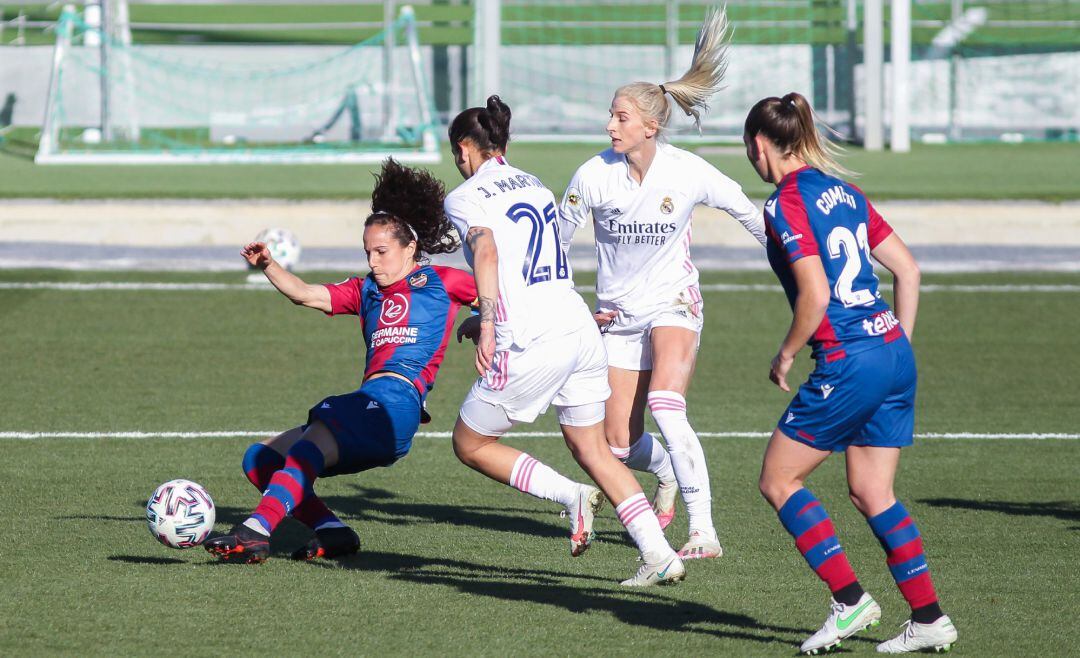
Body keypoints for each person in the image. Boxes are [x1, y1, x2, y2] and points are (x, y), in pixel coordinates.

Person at [744, 92, 957, 654]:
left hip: (847, 356)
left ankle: (850, 601)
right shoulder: (847, 192)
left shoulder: (784, 202)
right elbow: (908, 272)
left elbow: (814, 295)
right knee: (871, 491)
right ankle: (929, 617)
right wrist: (893, 348)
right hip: (890, 350)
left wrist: (786, 353)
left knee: (778, 479)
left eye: (749, 147)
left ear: (760, 144)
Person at [445, 95, 685, 586]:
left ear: (466, 148)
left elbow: (487, 251)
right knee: (593, 448)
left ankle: (571, 497)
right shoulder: (532, 184)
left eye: (456, 154)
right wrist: (486, 315)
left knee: (470, 443)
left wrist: (489, 323)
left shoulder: (465, 196)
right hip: (577, 327)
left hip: (532, 341)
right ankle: (660, 555)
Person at [558, 6, 765, 559]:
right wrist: (577, 309)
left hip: (674, 302)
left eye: (621, 117)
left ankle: (704, 530)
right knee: (618, 445)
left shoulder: (688, 170)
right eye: (610, 116)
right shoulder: (592, 175)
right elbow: (555, 247)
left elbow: (751, 215)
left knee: (668, 404)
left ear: (651, 126)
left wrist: (799, 261)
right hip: (617, 316)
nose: (610, 125)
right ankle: (669, 468)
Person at [204, 159, 477, 563]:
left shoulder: (442, 281)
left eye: (382, 251)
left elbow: (504, 298)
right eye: (368, 252)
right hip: (370, 406)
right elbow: (306, 294)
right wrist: (269, 265)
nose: (374, 261)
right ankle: (332, 532)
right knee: (261, 457)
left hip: (397, 404)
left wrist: (483, 319)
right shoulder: (366, 290)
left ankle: (257, 529)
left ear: (410, 247)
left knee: (323, 424)